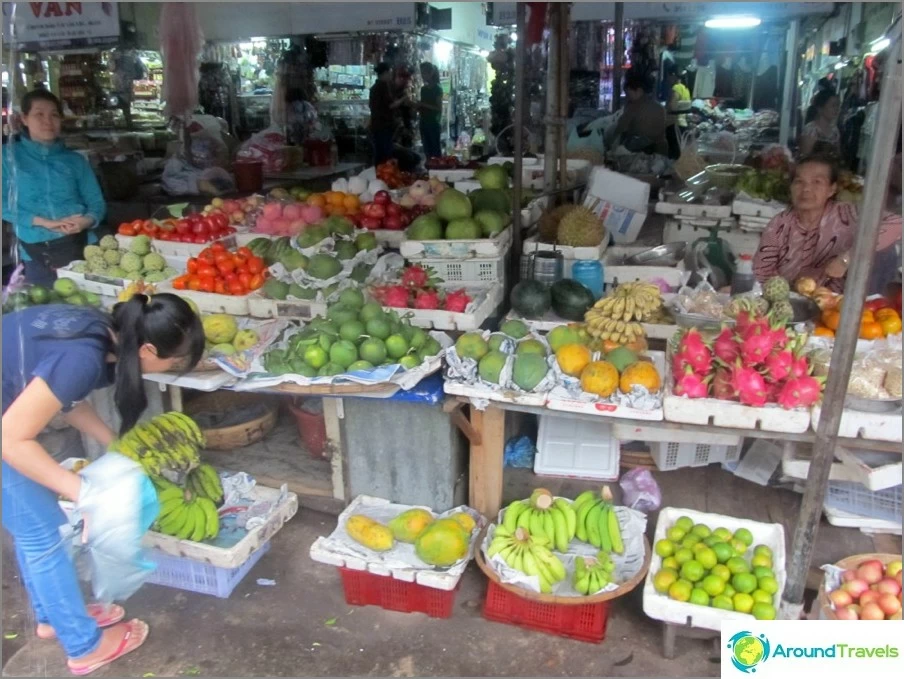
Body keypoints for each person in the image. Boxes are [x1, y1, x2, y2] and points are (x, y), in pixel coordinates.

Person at [2, 294, 204, 675]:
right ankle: (84, 647)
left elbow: (65, 397)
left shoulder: (103, 334)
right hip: (5, 430)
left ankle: (52, 619)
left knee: (40, 527)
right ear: (147, 349)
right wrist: (87, 495)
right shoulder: (82, 356)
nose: (173, 368)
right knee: (43, 533)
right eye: (174, 361)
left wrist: (116, 445)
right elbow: (11, 439)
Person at [753, 154, 902, 293]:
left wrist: (847, 258)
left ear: (832, 189)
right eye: (799, 182)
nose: (806, 189)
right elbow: (762, 272)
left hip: (839, 309)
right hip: (790, 306)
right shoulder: (779, 224)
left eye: (817, 182)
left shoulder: (849, 214)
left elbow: (897, 223)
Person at [1, 90, 106, 287]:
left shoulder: (75, 161)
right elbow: (3, 204)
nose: (47, 121)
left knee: (88, 305)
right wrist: (44, 222)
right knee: (48, 309)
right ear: (24, 118)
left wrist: (87, 220)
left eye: (54, 115)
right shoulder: (7, 158)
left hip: (80, 244)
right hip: (35, 249)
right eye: (39, 114)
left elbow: (96, 203)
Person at [605, 72, 668, 156]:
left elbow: (621, 127)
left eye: (628, 93)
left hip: (642, 154)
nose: (627, 97)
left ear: (639, 91)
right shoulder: (659, 106)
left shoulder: (634, 106)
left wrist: (609, 145)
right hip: (662, 152)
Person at [368, 63, 408, 166]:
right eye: (389, 72)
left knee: (379, 153)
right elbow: (390, 105)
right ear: (385, 73)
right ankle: (384, 176)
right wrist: (403, 99)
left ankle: (379, 175)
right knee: (385, 154)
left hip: (377, 124)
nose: (391, 74)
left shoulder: (374, 88)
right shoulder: (382, 88)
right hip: (383, 125)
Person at [799, 90, 841, 158]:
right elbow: (805, 157)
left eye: (838, 105)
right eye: (833, 105)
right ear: (820, 108)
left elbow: (838, 156)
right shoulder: (810, 130)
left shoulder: (835, 131)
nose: (836, 109)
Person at [418, 62, 443, 159]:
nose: (422, 76)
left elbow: (438, 108)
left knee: (435, 151)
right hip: (423, 122)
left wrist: (423, 104)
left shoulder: (437, 89)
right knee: (427, 150)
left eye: (424, 73)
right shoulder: (423, 89)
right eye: (421, 73)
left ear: (430, 73)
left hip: (433, 123)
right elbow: (422, 106)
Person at [664, 67, 691, 160]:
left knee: (672, 156)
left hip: (674, 126)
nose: (667, 79)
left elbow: (672, 107)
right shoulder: (685, 89)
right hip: (683, 125)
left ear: (673, 75)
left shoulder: (676, 88)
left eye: (668, 76)